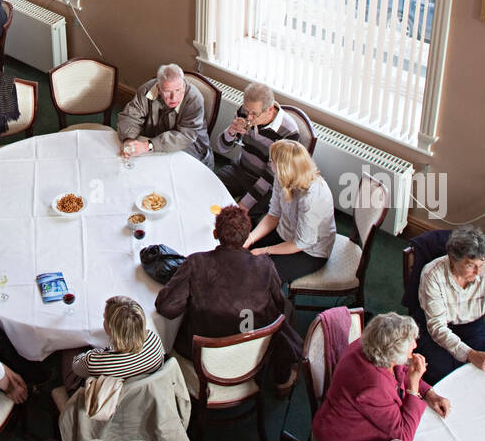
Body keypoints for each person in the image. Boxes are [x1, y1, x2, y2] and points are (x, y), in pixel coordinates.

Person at [312, 312, 450, 441]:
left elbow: (400, 369)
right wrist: (413, 388)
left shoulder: (369, 345)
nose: (415, 344)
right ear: (390, 355)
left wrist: (428, 393)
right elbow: (403, 433)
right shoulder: (372, 385)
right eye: (410, 342)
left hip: (356, 420)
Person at [154, 204, 301, 389]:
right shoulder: (265, 265)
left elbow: (166, 308)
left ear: (215, 234)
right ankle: (282, 378)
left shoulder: (196, 263)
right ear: (248, 236)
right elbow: (279, 305)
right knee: (286, 309)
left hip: (204, 357)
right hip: (253, 353)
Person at [416, 225, 485, 384]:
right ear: (452, 258)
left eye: (481, 265)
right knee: (447, 379)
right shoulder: (432, 274)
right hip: (436, 333)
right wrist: (470, 354)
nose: (478, 273)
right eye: (470, 265)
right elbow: (437, 328)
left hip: (473, 328)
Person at [243, 140, 336, 287]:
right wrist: (251, 238)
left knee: (259, 276)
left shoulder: (313, 197)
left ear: (283, 168)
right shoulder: (282, 178)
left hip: (309, 252)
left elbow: (301, 243)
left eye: (271, 161)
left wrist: (265, 250)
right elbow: (273, 215)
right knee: (241, 253)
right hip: (285, 233)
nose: (269, 163)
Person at [214, 82, 302, 213]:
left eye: (254, 114)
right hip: (240, 169)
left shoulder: (289, 132)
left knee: (239, 221)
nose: (249, 117)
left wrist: (243, 204)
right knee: (209, 188)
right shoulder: (243, 112)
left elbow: (271, 176)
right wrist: (231, 131)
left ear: (270, 109)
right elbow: (222, 148)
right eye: (247, 111)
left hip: (267, 185)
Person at [115, 63, 213, 167]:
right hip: (155, 145)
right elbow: (130, 117)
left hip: (190, 149)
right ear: (158, 88)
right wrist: (129, 140)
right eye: (167, 91)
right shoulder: (146, 89)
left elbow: (186, 136)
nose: (173, 98)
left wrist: (149, 145)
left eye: (178, 90)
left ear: (183, 86)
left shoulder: (194, 99)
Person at [70, 296, 164, 383]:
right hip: (147, 390)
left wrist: (94, 353)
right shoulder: (154, 339)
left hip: (117, 398)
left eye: (104, 318)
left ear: (112, 330)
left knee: (69, 352)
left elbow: (76, 367)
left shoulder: (95, 361)